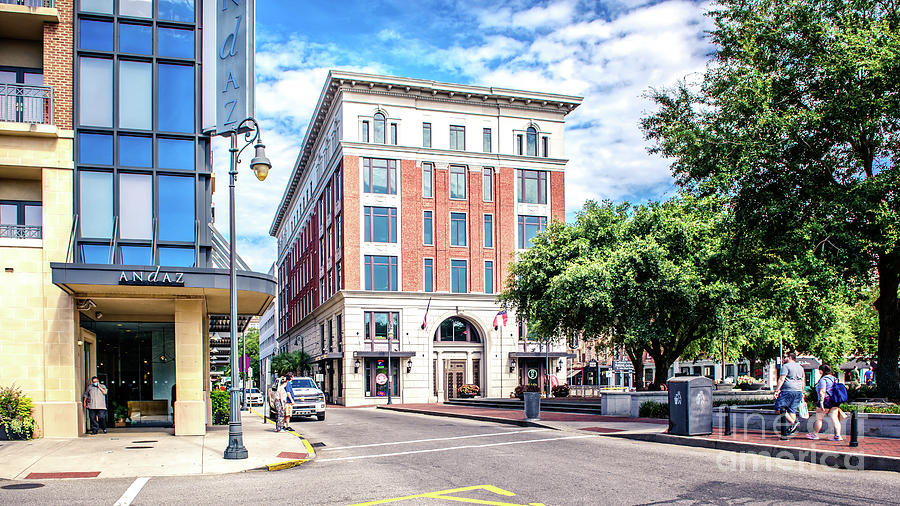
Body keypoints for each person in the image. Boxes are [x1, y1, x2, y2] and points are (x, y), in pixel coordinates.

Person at [807, 364, 847, 441]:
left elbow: (822, 391)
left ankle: (815, 434)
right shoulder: (835, 379)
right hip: (835, 400)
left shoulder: (823, 380)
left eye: (819, 370)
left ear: (822, 371)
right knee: (835, 418)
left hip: (826, 400)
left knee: (819, 418)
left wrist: (821, 402)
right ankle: (838, 435)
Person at [773, 352, 804, 435]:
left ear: (790, 357)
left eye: (785, 357)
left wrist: (777, 390)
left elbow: (782, 378)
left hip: (788, 390)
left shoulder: (786, 366)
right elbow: (802, 380)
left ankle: (793, 423)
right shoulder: (800, 367)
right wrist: (802, 391)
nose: (783, 359)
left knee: (778, 407)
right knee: (792, 410)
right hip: (798, 391)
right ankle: (791, 428)